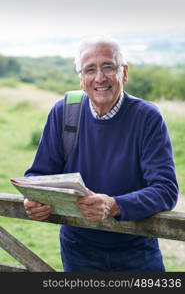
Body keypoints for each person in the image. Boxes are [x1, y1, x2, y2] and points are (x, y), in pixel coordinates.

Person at [24, 36, 178, 272]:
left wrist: (115, 205)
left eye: (108, 66)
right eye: (90, 69)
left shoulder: (147, 117)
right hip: (78, 248)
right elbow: (39, 173)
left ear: (123, 73)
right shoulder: (64, 111)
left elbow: (165, 189)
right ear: (81, 79)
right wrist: (32, 198)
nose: (99, 77)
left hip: (136, 247)